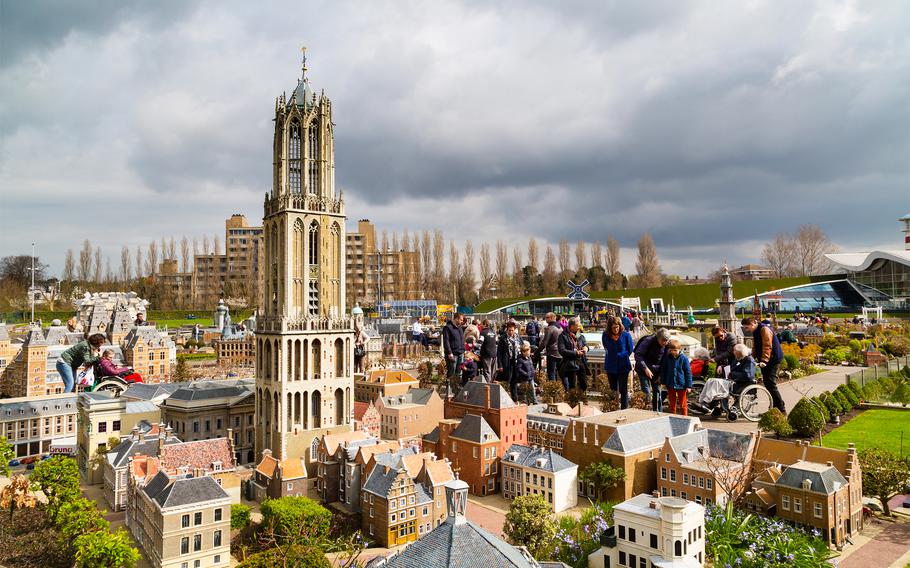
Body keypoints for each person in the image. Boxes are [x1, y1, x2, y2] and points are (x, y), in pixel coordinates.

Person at [742, 316, 786, 413]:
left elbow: (767, 345)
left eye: (746, 327)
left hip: (773, 359)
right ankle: (775, 408)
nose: (746, 330)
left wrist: (764, 361)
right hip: (766, 360)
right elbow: (755, 346)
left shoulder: (764, 329)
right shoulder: (756, 330)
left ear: (753, 324)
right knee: (768, 384)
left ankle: (781, 409)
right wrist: (751, 358)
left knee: (771, 384)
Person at [634, 328, 670, 412]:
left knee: (657, 392)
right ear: (658, 338)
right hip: (643, 368)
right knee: (646, 392)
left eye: (666, 341)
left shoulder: (667, 345)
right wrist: (645, 368)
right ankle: (647, 411)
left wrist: (661, 375)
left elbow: (665, 361)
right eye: (663, 340)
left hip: (656, 370)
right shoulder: (648, 341)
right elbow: (638, 355)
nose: (664, 343)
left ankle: (658, 412)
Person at [602, 316, 634, 409]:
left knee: (623, 389)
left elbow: (630, 349)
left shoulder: (626, 335)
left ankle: (624, 409)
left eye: (617, 327)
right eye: (613, 328)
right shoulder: (605, 335)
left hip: (623, 365)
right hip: (610, 365)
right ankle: (613, 408)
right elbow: (606, 346)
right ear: (609, 328)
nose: (615, 329)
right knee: (613, 389)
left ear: (620, 326)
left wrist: (622, 355)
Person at [660, 339, 692, 416]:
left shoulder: (684, 359)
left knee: (683, 404)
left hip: (681, 385)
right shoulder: (667, 358)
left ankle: (685, 418)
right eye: (671, 350)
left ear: (679, 349)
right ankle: (673, 417)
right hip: (670, 384)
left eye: (675, 350)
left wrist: (688, 386)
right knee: (672, 404)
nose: (673, 352)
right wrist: (663, 382)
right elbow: (664, 370)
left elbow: (688, 373)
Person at [557, 317, 588, 392]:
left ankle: (582, 398)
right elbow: (562, 350)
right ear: (571, 326)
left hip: (581, 361)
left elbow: (586, 345)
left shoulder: (580, 335)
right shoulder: (563, 336)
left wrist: (586, 348)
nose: (579, 327)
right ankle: (573, 401)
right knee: (572, 385)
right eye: (577, 326)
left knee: (584, 383)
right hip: (570, 362)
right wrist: (575, 353)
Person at [442, 313, 466, 389]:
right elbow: (446, 341)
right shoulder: (448, 328)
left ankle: (456, 387)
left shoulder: (460, 328)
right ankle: (449, 389)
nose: (462, 321)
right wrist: (449, 353)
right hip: (453, 354)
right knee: (451, 372)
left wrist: (463, 350)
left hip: (460, 353)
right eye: (461, 320)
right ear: (456, 319)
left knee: (458, 372)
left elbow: (462, 340)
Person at [497, 321, 522, 389]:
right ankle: (506, 396)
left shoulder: (518, 337)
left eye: (512, 330)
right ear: (507, 330)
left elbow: (522, 347)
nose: (511, 332)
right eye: (509, 330)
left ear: (514, 330)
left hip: (516, 362)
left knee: (515, 381)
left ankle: (515, 398)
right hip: (507, 362)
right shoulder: (503, 338)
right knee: (507, 380)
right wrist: (500, 365)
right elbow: (499, 352)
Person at [539, 312, 563, 382]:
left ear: (552, 318)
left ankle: (552, 391)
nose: (545, 319)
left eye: (547, 317)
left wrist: (536, 352)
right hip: (560, 353)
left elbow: (544, 343)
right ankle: (565, 390)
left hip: (552, 354)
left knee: (551, 374)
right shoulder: (561, 327)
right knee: (562, 374)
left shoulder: (549, 328)